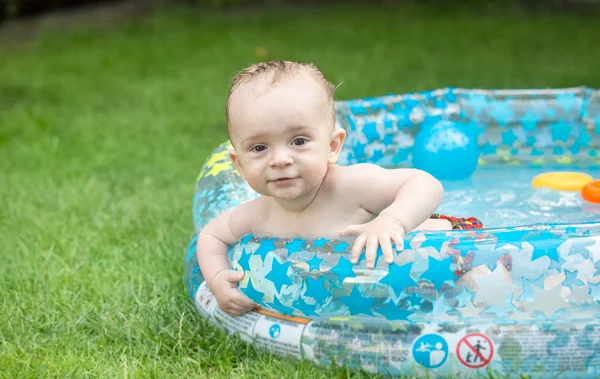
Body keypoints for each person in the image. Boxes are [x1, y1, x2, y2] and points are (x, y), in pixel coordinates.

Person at [197, 60, 482, 316]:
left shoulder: (351, 185)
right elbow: (211, 235)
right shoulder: (258, 214)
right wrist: (218, 279)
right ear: (239, 164)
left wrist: (390, 221)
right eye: (259, 147)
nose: (281, 160)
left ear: (332, 147)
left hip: (452, 249)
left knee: (482, 286)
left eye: (298, 141)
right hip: (378, 287)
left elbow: (425, 184)